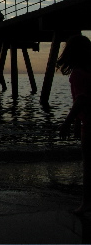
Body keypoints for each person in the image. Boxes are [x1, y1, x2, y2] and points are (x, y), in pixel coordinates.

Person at [57, 34, 91, 214]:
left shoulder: (78, 73)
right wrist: (77, 123)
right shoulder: (89, 70)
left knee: (88, 165)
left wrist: (68, 122)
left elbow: (81, 99)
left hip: (90, 124)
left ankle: (86, 203)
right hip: (86, 120)